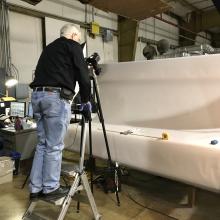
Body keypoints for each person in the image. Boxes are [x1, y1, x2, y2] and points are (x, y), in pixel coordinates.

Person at [29, 24, 91, 200]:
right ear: (73, 35)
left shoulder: (49, 48)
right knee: (54, 146)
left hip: (38, 96)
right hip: (55, 98)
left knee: (42, 144)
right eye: (78, 39)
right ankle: (50, 188)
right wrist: (86, 101)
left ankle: (35, 188)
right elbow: (83, 76)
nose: (78, 42)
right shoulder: (72, 46)